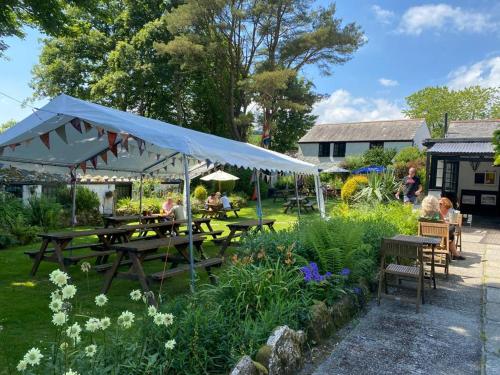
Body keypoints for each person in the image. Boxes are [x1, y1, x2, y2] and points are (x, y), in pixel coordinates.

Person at [419, 196, 464, 260]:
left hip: (424, 237)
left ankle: (454, 254)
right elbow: (444, 225)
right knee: (451, 230)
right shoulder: (438, 213)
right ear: (435, 204)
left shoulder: (421, 213)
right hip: (437, 238)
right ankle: (455, 254)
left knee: (450, 233)